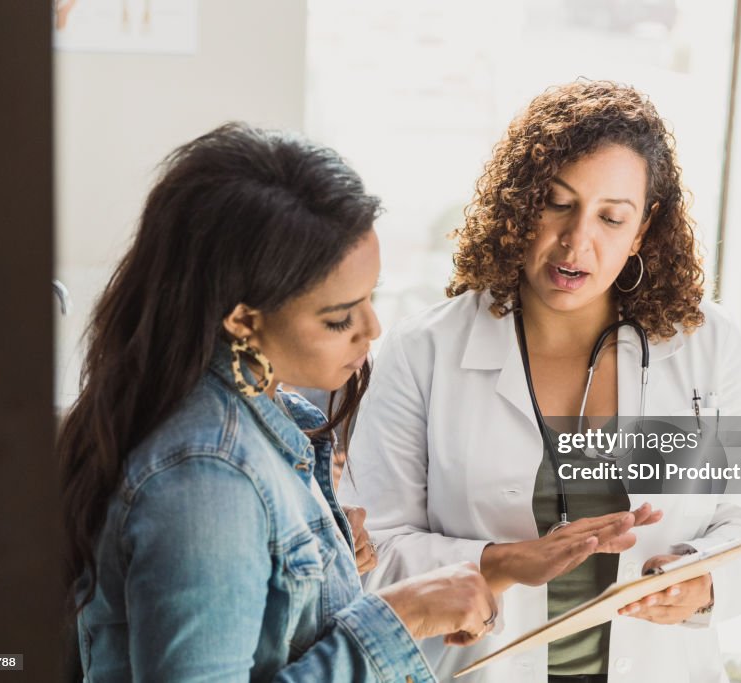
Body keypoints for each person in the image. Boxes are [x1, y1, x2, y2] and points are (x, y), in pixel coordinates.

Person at [339, 81, 741, 682]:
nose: (577, 241)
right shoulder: (423, 351)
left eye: (610, 217)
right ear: (521, 204)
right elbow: (369, 552)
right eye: (557, 203)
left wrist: (702, 582)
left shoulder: (711, 343)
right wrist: (502, 562)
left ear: (644, 229)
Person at [57, 123, 498, 682]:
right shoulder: (207, 477)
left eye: (371, 298)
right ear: (242, 319)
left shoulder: (260, 416)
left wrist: (330, 574)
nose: (372, 328)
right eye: (339, 317)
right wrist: (398, 618)